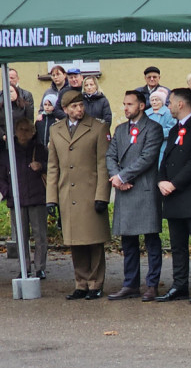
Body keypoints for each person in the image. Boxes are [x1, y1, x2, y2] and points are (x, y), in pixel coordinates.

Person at [46, 91, 111, 299]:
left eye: (81, 105)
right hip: (67, 194)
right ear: (65, 110)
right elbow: (53, 166)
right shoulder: (55, 130)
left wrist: (102, 195)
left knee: (93, 240)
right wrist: (51, 198)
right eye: (74, 107)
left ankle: (96, 283)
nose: (79, 110)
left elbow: (103, 165)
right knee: (75, 241)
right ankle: (81, 283)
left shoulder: (98, 127)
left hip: (90, 193)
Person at [105, 91, 164, 301]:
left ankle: (152, 284)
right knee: (128, 241)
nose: (126, 108)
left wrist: (122, 175)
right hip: (125, 190)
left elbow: (148, 157)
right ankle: (130, 284)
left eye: (129, 104)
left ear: (141, 106)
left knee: (151, 240)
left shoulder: (153, 128)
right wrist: (116, 177)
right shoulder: (120, 129)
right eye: (124, 104)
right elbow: (110, 156)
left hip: (145, 189)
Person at [156, 88, 191, 304]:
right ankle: (179, 285)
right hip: (173, 196)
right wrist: (161, 180)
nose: (167, 106)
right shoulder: (174, 131)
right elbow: (166, 158)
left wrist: (174, 183)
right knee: (177, 245)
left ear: (181, 104)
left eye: (169, 102)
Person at [0, 117, 48, 279]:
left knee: (40, 235)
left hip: (38, 197)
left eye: (27, 130)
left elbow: (52, 167)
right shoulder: (8, 153)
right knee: (21, 237)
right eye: (20, 129)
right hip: (17, 200)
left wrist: (41, 166)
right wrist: (8, 192)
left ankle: (40, 267)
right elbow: (1, 177)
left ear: (33, 132)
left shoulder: (40, 150)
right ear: (15, 131)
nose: (23, 133)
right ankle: (24, 266)